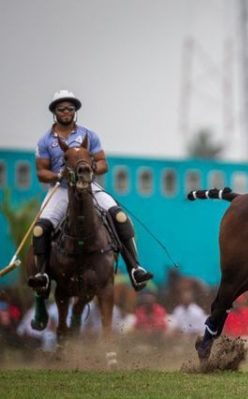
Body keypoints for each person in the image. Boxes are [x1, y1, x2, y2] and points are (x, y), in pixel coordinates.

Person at [27, 90, 153, 329]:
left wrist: (91, 167)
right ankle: (43, 275)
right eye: (61, 109)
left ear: (75, 111)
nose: (66, 112)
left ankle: (135, 267)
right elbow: (40, 171)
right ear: (55, 112)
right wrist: (58, 174)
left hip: (88, 186)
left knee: (119, 215)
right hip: (61, 189)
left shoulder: (88, 135)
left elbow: (103, 162)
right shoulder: (45, 141)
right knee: (41, 229)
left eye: (70, 108)